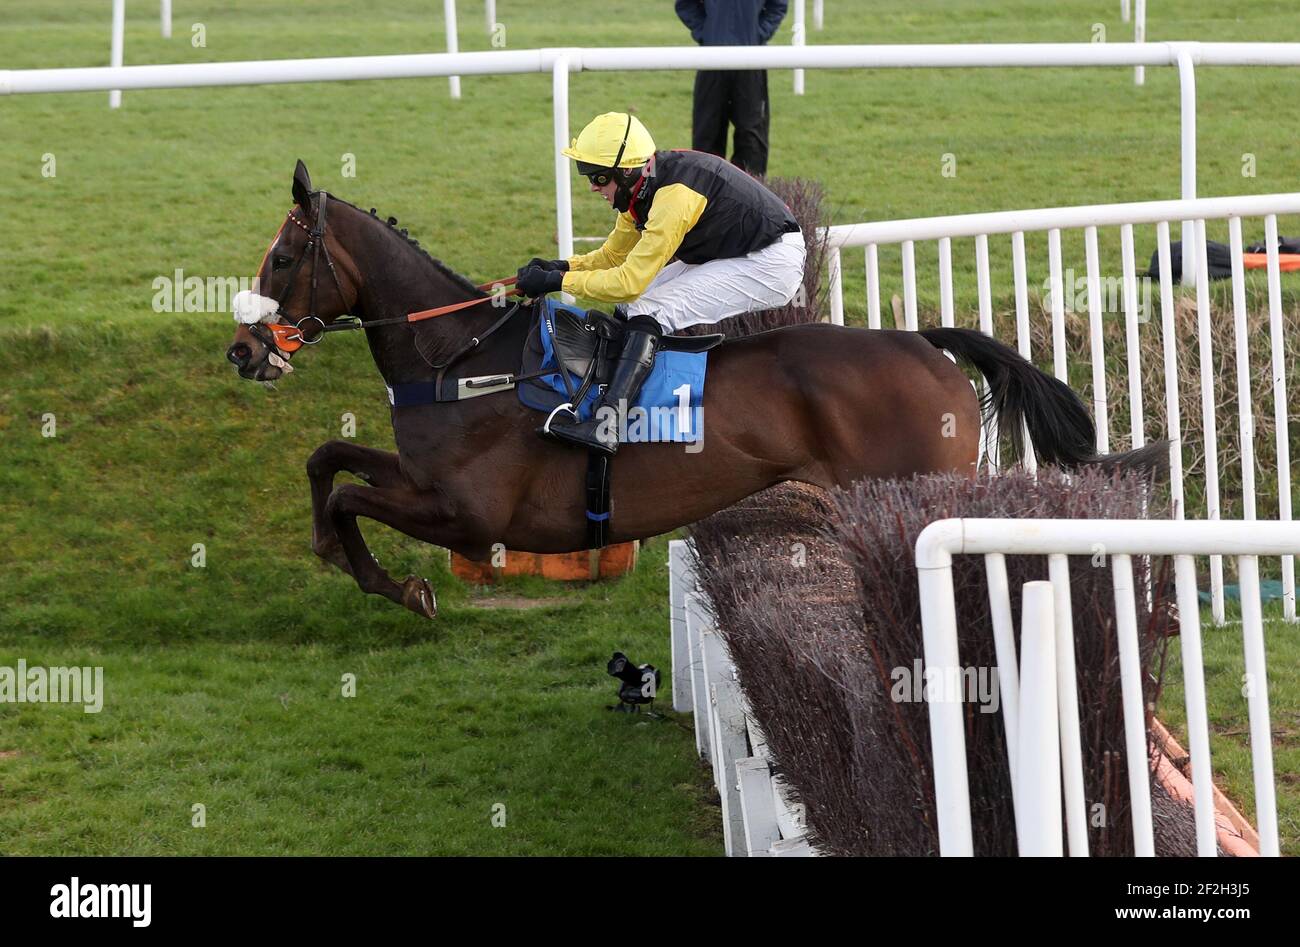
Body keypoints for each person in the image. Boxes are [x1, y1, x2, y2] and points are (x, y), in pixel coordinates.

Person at [516, 111, 805, 455]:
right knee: (633, 308)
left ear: (625, 172)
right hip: (737, 251)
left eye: (598, 177)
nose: (593, 186)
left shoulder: (673, 197)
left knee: (647, 305)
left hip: (771, 261)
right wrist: (562, 265)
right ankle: (614, 401)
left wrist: (557, 280)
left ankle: (607, 425)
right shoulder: (638, 190)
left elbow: (628, 281)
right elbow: (613, 257)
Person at [674, 0, 789, 176]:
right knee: (707, 137)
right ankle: (707, 197)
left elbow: (778, 4)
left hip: (751, 62)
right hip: (711, 61)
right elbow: (684, 4)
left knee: (751, 140)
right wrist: (706, 33)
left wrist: (758, 34)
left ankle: (751, 199)